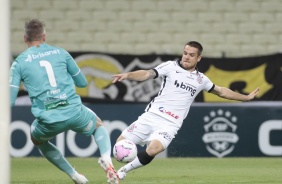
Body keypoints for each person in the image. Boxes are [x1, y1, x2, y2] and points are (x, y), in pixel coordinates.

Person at [112, 41, 260, 180]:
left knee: (154, 149)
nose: (186, 57)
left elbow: (221, 91)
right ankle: (110, 169)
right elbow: (147, 74)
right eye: (185, 53)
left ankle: (122, 172)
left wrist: (245, 98)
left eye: (191, 55)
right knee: (119, 145)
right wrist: (128, 75)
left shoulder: (201, 80)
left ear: (199, 58)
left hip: (170, 123)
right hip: (152, 115)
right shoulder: (170, 67)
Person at [9, 19, 119, 184]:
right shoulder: (61, 53)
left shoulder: (18, 63)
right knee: (98, 125)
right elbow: (82, 83)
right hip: (75, 112)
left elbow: (9, 101)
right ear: (44, 37)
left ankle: (75, 176)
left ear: (25, 38)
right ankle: (107, 160)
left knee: (37, 139)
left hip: (49, 120)